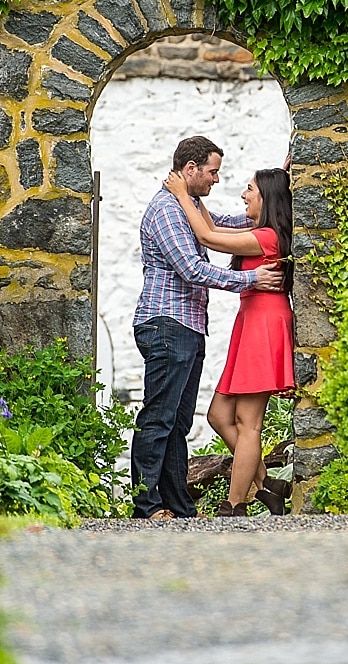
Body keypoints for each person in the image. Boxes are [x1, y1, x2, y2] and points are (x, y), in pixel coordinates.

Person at [131, 136, 284, 520]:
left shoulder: (192, 205)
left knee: (178, 422)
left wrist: (281, 183)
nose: (217, 179)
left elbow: (223, 227)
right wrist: (252, 281)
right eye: (213, 171)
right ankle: (148, 506)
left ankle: (179, 506)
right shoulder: (168, 210)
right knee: (159, 417)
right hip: (166, 322)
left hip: (187, 326)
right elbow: (193, 268)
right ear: (191, 169)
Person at [163, 166, 295, 517]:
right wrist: (193, 196)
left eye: (249, 189)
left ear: (266, 198)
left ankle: (235, 506)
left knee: (249, 424)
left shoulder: (267, 237)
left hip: (264, 323)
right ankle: (267, 485)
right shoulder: (258, 230)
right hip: (250, 321)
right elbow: (214, 226)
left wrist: (179, 195)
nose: (243, 195)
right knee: (220, 415)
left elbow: (207, 237)